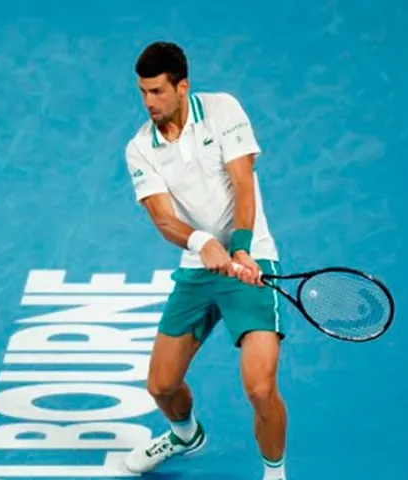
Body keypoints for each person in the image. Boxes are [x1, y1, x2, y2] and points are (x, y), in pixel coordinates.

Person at [122, 41, 288, 480]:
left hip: (251, 262)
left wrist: (241, 247)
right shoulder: (140, 147)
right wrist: (201, 243)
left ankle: (275, 474)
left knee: (259, 387)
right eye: (142, 92)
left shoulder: (221, 110)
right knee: (160, 385)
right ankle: (185, 435)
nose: (148, 103)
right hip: (199, 269)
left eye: (157, 91)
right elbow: (162, 218)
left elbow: (243, 184)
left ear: (182, 86)